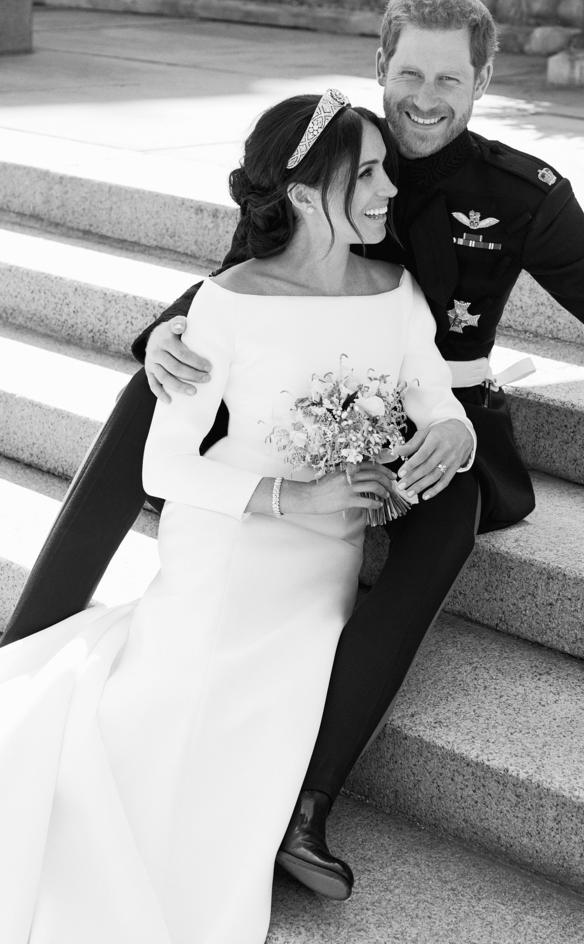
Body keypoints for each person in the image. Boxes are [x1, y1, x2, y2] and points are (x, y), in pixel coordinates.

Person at [3, 0, 584, 901]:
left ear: (484, 82)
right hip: (300, 402)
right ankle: (30, 637)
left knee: (449, 516)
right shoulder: (332, 149)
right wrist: (168, 336)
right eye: (410, 73)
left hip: (432, 413)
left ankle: (306, 806)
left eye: (450, 80)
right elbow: (246, 278)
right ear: (382, 67)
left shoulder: (520, 193)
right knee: (146, 397)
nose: (427, 98)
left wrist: (452, 435)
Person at [0, 91, 476, 943]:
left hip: (321, 564)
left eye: (384, 173)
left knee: (271, 715)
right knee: (163, 729)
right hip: (227, 546)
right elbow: (163, 464)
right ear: (302, 193)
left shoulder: (395, 289)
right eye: (366, 174)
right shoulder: (226, 303)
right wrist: (293, 497)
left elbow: (435, 395)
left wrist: (453, 434)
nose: (387, 191)